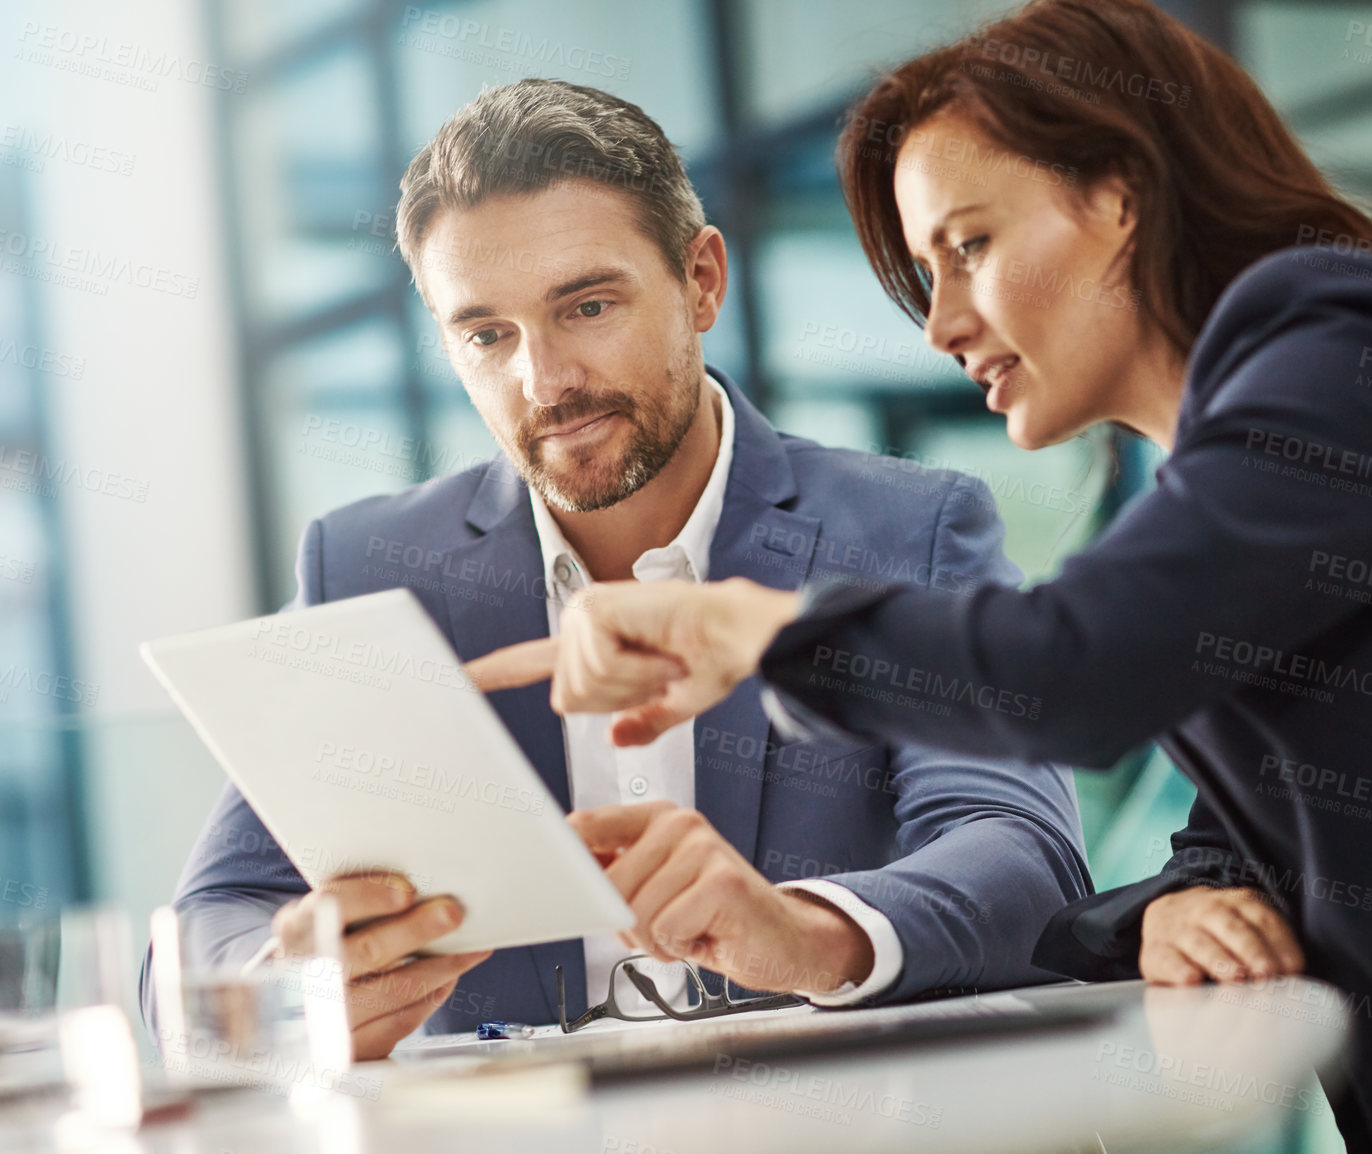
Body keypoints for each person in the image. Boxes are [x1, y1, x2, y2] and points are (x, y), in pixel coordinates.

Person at [465, 3, 1372, 1152]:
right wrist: (1178, 910)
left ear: (1120, 196)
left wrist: (746, 625)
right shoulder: (1246, 456)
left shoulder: (1341, 339)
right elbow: (1224, 829)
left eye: (967, 246)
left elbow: (1072, 670)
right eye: (927, 271)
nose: (942, 322)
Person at [140, 79, 1091, 1060]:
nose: (542, 380)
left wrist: (807, 932)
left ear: (703, 280)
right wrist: (286, 980)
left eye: (585, 305)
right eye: (485, 334)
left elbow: (1023, 855)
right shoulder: (366, 569)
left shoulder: (909, 528)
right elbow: (206, 927)